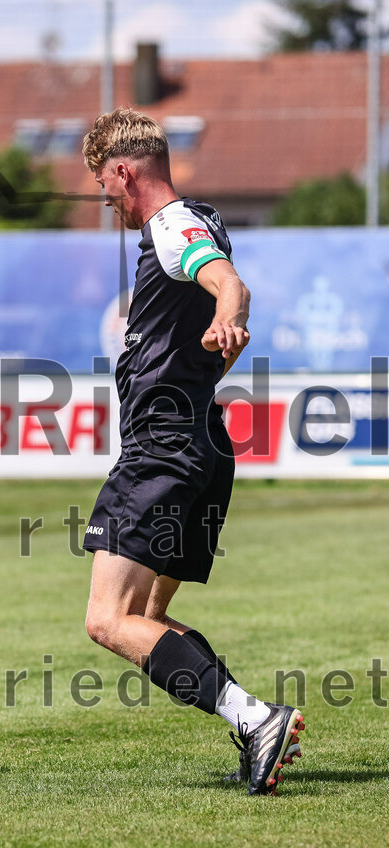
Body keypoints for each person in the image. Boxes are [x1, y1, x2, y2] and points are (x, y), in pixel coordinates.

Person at [78, 108, 303, 796]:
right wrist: (218, 339)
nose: (108, 203)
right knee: (146, 620)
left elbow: (230, 284)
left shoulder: (172, 227)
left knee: (107, 620)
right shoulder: (198, 222)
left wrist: (229, 316)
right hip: (201, 440)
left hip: (162, 450)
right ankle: (254, 722)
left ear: (123, 172)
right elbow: (219, 301)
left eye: (105, 188)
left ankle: (256, 717)